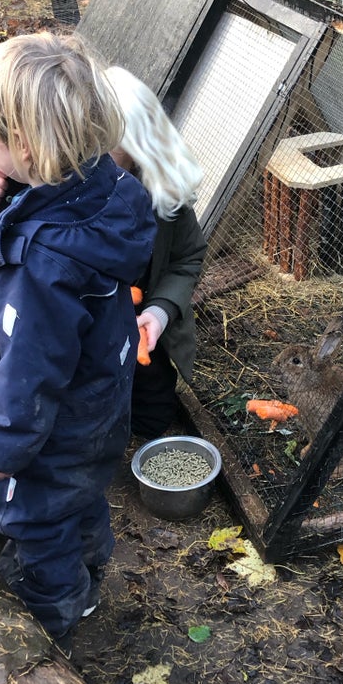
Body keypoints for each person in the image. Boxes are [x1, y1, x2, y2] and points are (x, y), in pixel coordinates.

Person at [0, 32, 156, 651]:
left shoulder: (40, 269)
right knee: (83, 493)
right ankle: (92, 571)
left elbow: (28, 370)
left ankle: (52, 618)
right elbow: (45, 232)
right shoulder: (105, 188)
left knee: (38, 523)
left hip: (45, 433)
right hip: (96, 411)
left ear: (23, 144)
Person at [105, 66, 208, 440]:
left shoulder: (161, 188)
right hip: (81, 328)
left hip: (139, 322)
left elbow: (187, 258)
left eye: (112, 150)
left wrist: (160, 311)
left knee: (152, 419)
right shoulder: (59, 183)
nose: (100, 160)